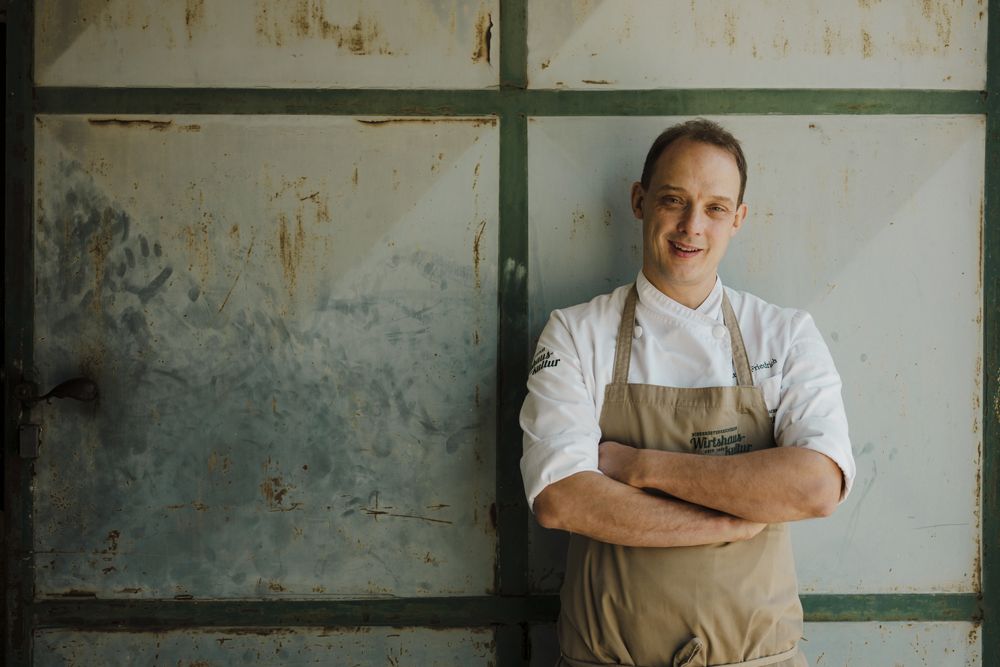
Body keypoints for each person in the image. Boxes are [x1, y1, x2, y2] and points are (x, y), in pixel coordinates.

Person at [519, 119, 855, 667]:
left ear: (738, 219)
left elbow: (817, 486)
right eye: (674, 200)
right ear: (639, 200)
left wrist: (639, 466)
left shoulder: (785, 334)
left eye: (716, 208)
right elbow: (561, 498)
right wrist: (728, 521)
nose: (692, 226)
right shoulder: (576, 333)